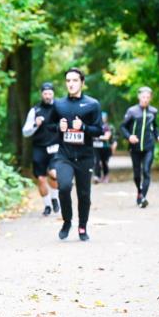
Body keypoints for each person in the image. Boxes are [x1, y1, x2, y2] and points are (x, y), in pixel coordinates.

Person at [44, 67, 103, 241]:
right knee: (64, 187)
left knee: (84, 194)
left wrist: (83, 127)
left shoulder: (93, 104)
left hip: (85, 156)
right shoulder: (58, 104)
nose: (71, 84)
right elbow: (49, 126)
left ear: (82, 83)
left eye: (75, 80)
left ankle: (82, 226)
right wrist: (58, 127)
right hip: (64, 155)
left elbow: (99, 130)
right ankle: (67, 221)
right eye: (68, 81)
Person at [119, 87, 159, 208]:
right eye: (143, 97)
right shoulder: (132, 111)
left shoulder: (153, 111)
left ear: (150, 98)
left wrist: (158, 136)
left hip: (149, 146)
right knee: (137, 175)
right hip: (135, 147)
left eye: (148, 97)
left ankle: (142, 197)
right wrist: (129, 137)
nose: (145, 99)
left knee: (146, 171)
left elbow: (155, 127)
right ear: (139, 97)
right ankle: (140, 192)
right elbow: (123, 127)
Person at [21, 82, 61, 215]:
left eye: (50, 93)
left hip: (55, 146)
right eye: (45, 93)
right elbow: (25, 132)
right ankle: (47, 205)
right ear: (41, 94)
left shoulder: (59, 108)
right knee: (41, 179)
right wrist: (35, 124)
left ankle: (55, 198)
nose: (47, 96)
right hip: (39, 148)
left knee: (54, 174)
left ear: (53, 94)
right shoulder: (35, 110)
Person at [92, 111, 115, 183]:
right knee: (96, 161)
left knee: (104, 162)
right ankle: (97, 176)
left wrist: (97, 137)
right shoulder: (94, 125)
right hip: (96, 147)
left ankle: (106, 176)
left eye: (104, 118)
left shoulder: (107, 126)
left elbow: (107, 137)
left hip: (105, 147)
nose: (102, 119)